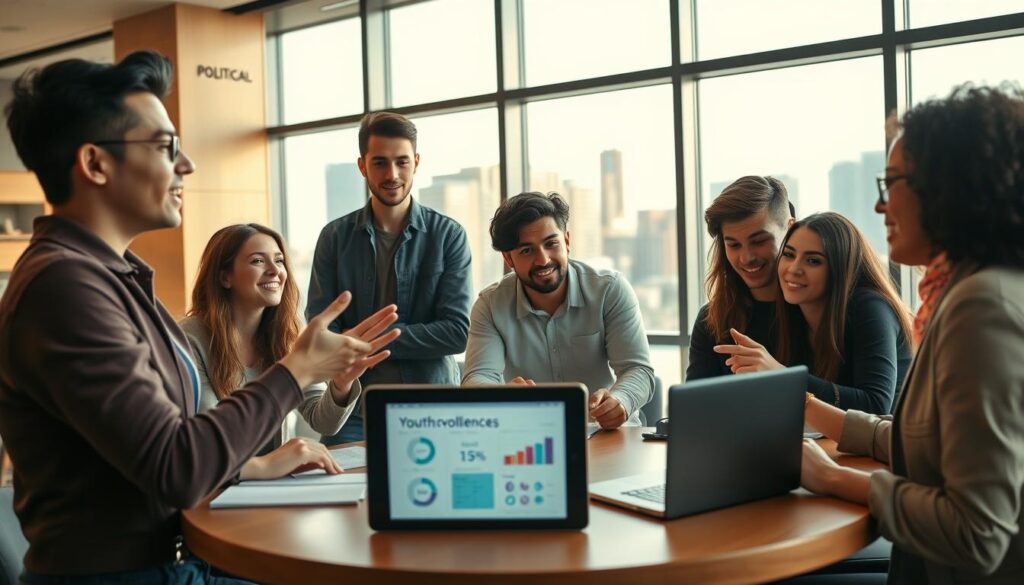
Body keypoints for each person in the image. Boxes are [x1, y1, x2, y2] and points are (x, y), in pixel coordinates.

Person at [0, 51, 396, 581]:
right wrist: (295, 371)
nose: (186, 166)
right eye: (166, 148)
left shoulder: (111, 278)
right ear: (95, 163)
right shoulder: (65, 288)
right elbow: (177, 466)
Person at [800, 85, 1024, 584]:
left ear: (947, 188)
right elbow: (935, 446)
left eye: (892, 183)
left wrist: (831, 477)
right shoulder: (975, 287)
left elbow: (976, 531)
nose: (881, 208)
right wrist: (824, 418)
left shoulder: (980, 307)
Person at [180, 224, 399, 480]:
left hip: (268, 486)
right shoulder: (189, 338)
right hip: (214, 487)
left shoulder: (285, 335)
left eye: (280, 260)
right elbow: (212, 441)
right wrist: (270, 464)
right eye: (258, 261)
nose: (275, 271)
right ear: (224, 277)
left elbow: (324, 422)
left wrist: (341, 383)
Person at [307, 111, 472, 445]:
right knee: (341, 493)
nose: (392, 174)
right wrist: (372, 343)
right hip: (354, 411)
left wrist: (366, 343)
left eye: (402, 162)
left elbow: (457, 333)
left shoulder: (448, 235)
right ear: (362, 166)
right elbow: (322, 329)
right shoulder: (334, 238)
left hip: (433, 409)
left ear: (416, 162)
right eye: (380, 162)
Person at [462, 192, 654, 429]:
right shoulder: (490, 305)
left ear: (567, 241)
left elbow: (638, 370)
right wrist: (503, 395)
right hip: (531, 437)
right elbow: (477, 379)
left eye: (551, 244)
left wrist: (622, 401)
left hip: (607, 433)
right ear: (508, 259)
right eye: (526, 251)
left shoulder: (609, 290)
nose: (543, 260)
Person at [713, 212, 912, 414]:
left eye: (813, 261)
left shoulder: (871, 307)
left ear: (839, 268)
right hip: (829, 444)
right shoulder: (793, 312)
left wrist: (782, 376)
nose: (794, 269)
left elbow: (875, 406)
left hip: (891, 444)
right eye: (789, 255)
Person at [686, 176, 795, 380]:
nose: (746, 258)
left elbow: (867, 406)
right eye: (733, 245)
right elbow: (696, 407)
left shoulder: (821, 310)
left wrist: (780, 375)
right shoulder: (711, 320)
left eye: (759, 241)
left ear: (790, 228)